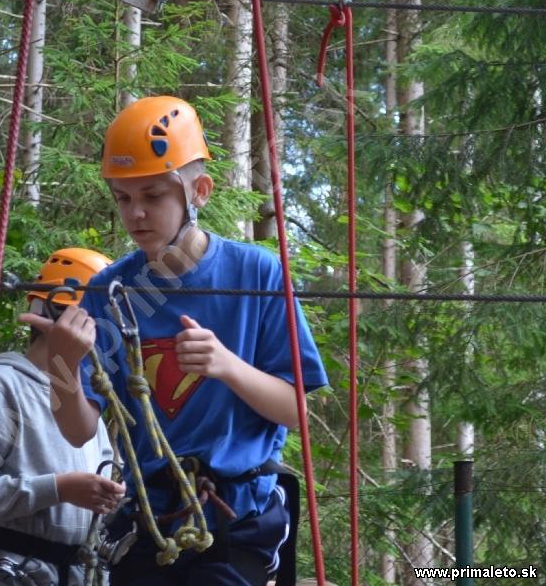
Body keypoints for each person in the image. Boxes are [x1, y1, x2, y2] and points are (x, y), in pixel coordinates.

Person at [24, 96, 329, 586]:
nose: (136, 214)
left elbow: (296, 411)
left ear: (199, 191)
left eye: (154, 195)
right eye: (123, 198)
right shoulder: (110, 291)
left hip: (236, 520)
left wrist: (226, 364)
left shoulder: (256, 274)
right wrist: (62, 367)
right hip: (150, 520)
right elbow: (80, 431)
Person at [0, 247, 126, 586]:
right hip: (16, 572)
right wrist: (58, 489)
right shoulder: (4, 385)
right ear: (61, 312)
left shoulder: (86, 403)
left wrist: (111, 495)